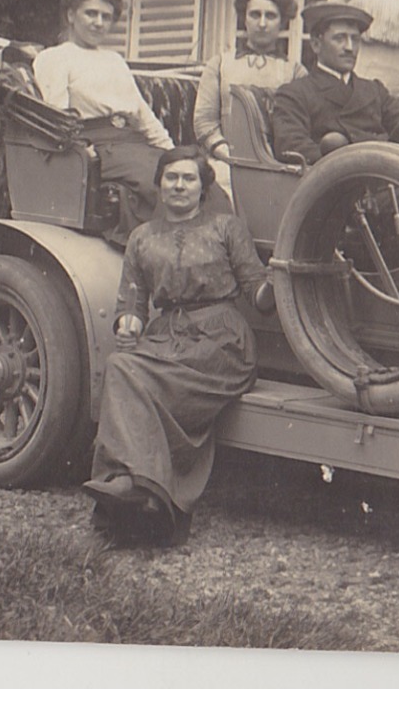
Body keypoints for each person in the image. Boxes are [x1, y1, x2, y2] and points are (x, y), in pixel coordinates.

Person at [83, 147, 274, 547]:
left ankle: (136, 484)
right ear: (159, 184)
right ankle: (135, 490)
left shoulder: (227, 228)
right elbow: (131, 302)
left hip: (221, 341)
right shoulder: (142, 238)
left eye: (189, 179)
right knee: (121, 363)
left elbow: (257, 288)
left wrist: (274, 288)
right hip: (166, 337)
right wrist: (129, 322)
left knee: (135, 377)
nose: (179, 185)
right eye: (171, 177)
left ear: (203, 188)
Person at [33, 0, 174, 240]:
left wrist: (171, 151)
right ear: (71, 15)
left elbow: (142, 113)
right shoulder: (55, 58)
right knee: (168, 187)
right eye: (91, 14)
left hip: (134, 143)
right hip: (98, 147)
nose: (99, 23)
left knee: (195, 177)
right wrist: (82, 150)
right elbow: (56, 116)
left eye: (106, 17)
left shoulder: (114, 60)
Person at [271, 2, 399, 164]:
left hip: (384, 177)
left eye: (355, 39)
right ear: (316, 45)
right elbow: (292, 148)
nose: (349, 47)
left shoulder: (375, 90)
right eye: (340, 38)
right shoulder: (295, 94)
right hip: (334, 183)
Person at [192, 0, 308, 174]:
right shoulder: (220, 65)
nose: (262, 23)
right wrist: (227, 154)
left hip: (279, 165)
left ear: (283, 21)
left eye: (270, 16)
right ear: (244, 19)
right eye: (255, 15)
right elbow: (204, 121)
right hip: (226, 163)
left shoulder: (295, 71)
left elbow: (299, 128)